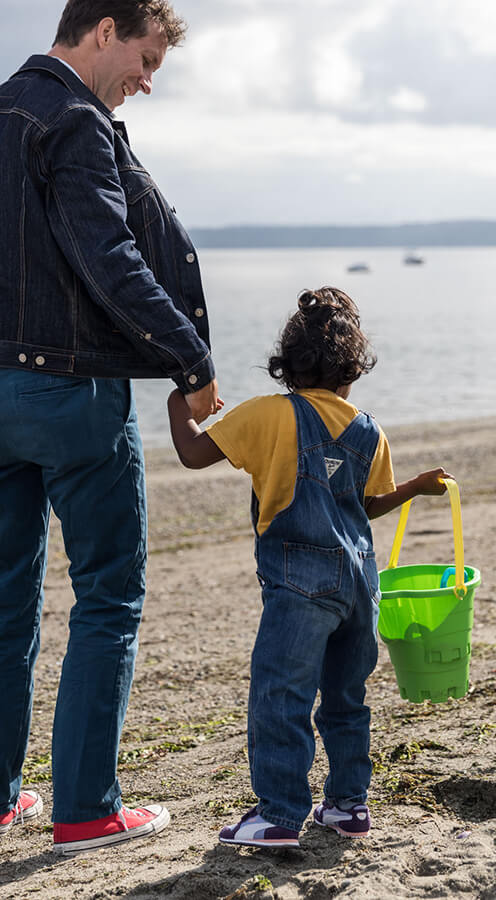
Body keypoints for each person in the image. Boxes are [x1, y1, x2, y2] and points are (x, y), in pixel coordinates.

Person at [0, 0, 221, 856]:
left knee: (5, 591)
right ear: (101, 31)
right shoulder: (75, 122)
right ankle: (86, 810)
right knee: (110, 595)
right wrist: (192, 363)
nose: (147, 81)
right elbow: (110, 255)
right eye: (146, 58)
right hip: (71, 394)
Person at [166, 287, 450, 848]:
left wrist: (181, 404)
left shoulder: (270, 414)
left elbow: (193, 454)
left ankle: (278, 814)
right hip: (358, 584)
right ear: (352, 369)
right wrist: (412, 489)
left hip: (298, 581)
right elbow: (364, 507)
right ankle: (348, 805)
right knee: (347, 699)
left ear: (287, 364)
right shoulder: (370, 429)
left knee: (281, 695)